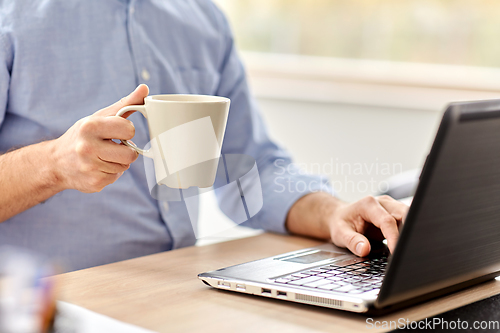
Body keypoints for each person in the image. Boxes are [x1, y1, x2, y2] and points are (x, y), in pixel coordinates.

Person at [0, 0, 408, 272]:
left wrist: (333, 214)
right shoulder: (12, 15)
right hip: (49, 302)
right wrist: (53, 165)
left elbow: (250, 168)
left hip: (181, 288)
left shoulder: (203, 18)